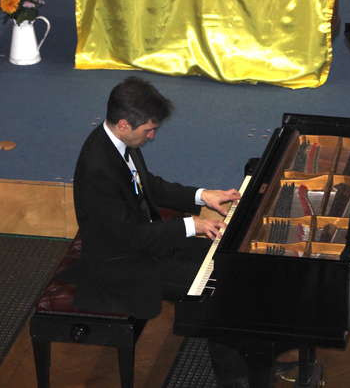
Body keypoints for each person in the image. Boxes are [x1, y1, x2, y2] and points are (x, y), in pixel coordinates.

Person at [71, 76, 240, 319]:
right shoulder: (98, 170)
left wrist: (203, 196)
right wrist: (193, 225)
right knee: (219, 284)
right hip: (120, 264)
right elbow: (128, 238)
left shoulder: (118, 142)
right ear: (123, 125)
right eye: (148, 130)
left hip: (146, 241)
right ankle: (227, 354)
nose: (152, 136)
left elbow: (148, 185)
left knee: (226, 259)